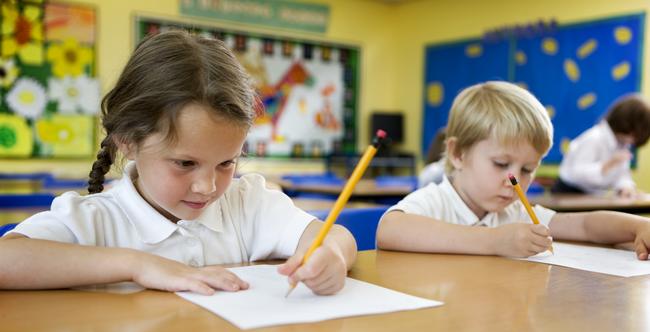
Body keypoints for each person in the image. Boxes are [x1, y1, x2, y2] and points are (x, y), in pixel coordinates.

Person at [0, 30, 356, 295]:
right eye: (185, 163)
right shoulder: (95, 220)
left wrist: (329, 253)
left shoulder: (247, 203)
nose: (208, 187)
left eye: (226, 163)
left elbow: (335, 235)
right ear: (129, 142)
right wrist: (137, 265)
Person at [376, 81, 650, 260]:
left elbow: (585, 226)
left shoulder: (514, 212)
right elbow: (389, 229)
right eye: (501, 164)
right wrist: (493, 241)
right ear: (458, 154)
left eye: (528, 168)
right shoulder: (438, 201)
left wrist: (637, 226)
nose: (515, 180)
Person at [553, 95, 650, 197]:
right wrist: (608, 164)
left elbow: (622, 175)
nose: (633, 141)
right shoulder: (595, 138)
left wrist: (625, 187)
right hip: (568, 193)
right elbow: (577, 174)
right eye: (635, 135)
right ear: (626, 123)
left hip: (593, 196)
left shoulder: (623, 144)